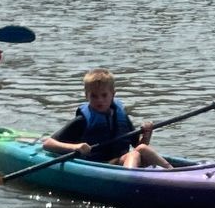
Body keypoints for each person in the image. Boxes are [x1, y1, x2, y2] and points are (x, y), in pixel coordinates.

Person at [42, 68, 170, 169]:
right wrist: (76, 147)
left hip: (121, 162)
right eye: (94, 96)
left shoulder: (122, 117)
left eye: (104, 95)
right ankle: (129, 180)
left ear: (113, 94)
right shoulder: (82, 120)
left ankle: (170, 172)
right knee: (134, 154)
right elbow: (48, 143)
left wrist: (147, 134)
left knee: (142, 149)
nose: (100, 100)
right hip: (98, 165)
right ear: (87, 96)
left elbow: (138, 146)